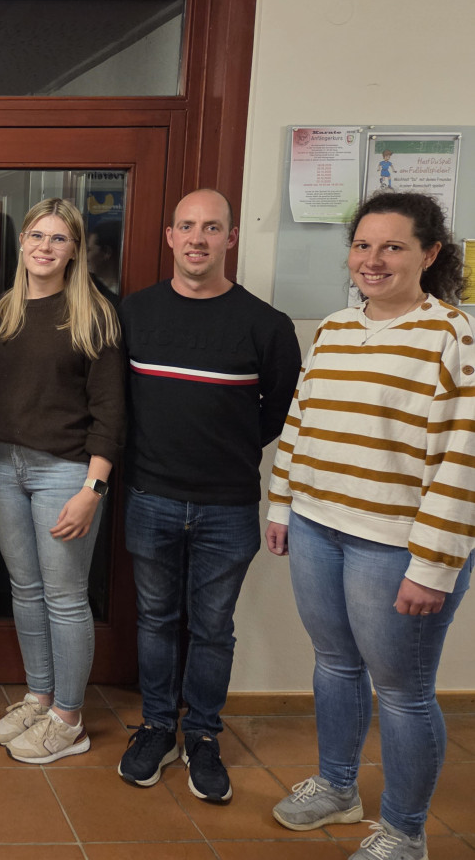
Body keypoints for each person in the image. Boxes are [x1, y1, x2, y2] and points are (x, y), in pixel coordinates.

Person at [265, 192, 474, 860]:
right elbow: (300, 421)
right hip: (317, 525)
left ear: (429, 254)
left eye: (392, 247)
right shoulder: (334, 328)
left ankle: (405, 832)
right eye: (362, 245)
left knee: (404, 692)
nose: (373, 260)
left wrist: (433, 565)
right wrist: (281, 503)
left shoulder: (453, 336)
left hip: (397, 546)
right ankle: (337, 787)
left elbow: (462, 457)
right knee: (333, 664)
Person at [117, 188, 300, 803]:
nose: (198, 238)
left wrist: (221, 452)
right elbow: (117, 403)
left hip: (227, 504)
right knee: (155, 620)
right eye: (187, 227)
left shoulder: (267, 326)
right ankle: (157, 727)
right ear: (170, 237)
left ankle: (202, 735)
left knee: (214, 628)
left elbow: (276, 415)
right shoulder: (135, 313)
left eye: (212, 227)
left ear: (230, 238)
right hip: (151, 497)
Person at [0, 197, 125, 764]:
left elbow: (111, 413)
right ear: (21, 243)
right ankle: (39, 697)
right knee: (25, 590)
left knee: (64, 596)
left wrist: (93, 490)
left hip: (65, 472)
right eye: (37, 235)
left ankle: (69, 717)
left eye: (59, 238)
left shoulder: (95, 314)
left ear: (74, 250)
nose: (45, 246)